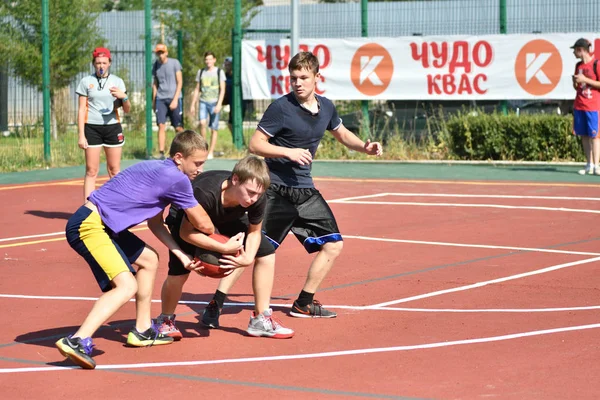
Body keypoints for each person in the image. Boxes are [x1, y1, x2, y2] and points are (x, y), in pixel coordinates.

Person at [202, 51, 383, 324]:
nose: (297, 83)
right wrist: (288, 152)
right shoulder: (281, 108)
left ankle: (303, 303)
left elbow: (342, 134)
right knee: (255, 248)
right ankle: (216, 303)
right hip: (275, 189)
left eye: (303, 77)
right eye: (293, 78)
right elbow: (256, 145)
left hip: (304, 191)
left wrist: (365, 148)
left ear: (316, 78)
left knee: (333, 245)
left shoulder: (327, 108)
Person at [55, 130, 215, 370]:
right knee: (127, 286)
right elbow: (204, 225)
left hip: (101, 224)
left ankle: (141, 330)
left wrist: (180, 254)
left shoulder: (159, 168)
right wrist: (225, 241)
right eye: (198, 163)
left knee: (149, 259)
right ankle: (77, 339)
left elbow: (155, 223)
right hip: (89, 225)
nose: (200, 169)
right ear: (180, 157)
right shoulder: (177, 179)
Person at [156, 155, 294, 339]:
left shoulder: (255, 195)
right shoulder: (204, 192)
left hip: (229, 215)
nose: (254, 199)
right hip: (188, 216)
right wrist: (224, 248)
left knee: (267, 253)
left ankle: (261, 319)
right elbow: (186, 233)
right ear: (235, 180)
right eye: (251, 192)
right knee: (179, 273)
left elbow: (254, 232)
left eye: (258, 194)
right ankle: (165, 320)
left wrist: (247, 257)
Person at [76, 47, 130, 202]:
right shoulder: (86, 82)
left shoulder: (118, 81)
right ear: (93, 64)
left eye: (104, 63)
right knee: (91, 170)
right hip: (92, 128)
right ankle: (88, 207)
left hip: (113, 127)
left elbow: (127, 109)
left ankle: (117, 204)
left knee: (114, 170)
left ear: (109, 63)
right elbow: (81, 110)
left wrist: (124, 97)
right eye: (98, 63)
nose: (101, 66)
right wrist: (81, 135)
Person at [190, 51, 227, 159]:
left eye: (210, 59)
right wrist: (193, 104)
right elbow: (197, 89)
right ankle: (204, 148)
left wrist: (219, 104)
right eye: (206, 59)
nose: (208, 61)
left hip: (215, 102)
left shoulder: (219, 72)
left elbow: (222, 90)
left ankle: (211, 151)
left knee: (213, 128)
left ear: (214, 60)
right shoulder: (201, 72)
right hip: (203, 101)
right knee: (202, 123)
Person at [572, 38, 600, 175]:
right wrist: (575, 82)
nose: (573, 53)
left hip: (593, 106)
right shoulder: (578, 66)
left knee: (595, 136)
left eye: (575, 50)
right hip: (579, 105)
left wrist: (585, 80)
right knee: (583, 135)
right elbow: (577, 87)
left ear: (581, 50)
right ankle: (589, 164)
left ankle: (597, 165)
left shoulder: (596, 64)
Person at [152, 43, 184, 160]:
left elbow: (179, 82)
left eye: (162, 52)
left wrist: (175, 99)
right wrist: (154, 100)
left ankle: (183, 150)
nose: (160, 55)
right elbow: (155, 84)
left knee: (178, 127)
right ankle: (161, 152)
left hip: (173, 98)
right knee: (161, 125)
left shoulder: (175, 63)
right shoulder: (156, 65)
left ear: (166, 52)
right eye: (158, 53)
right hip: (161, 98)